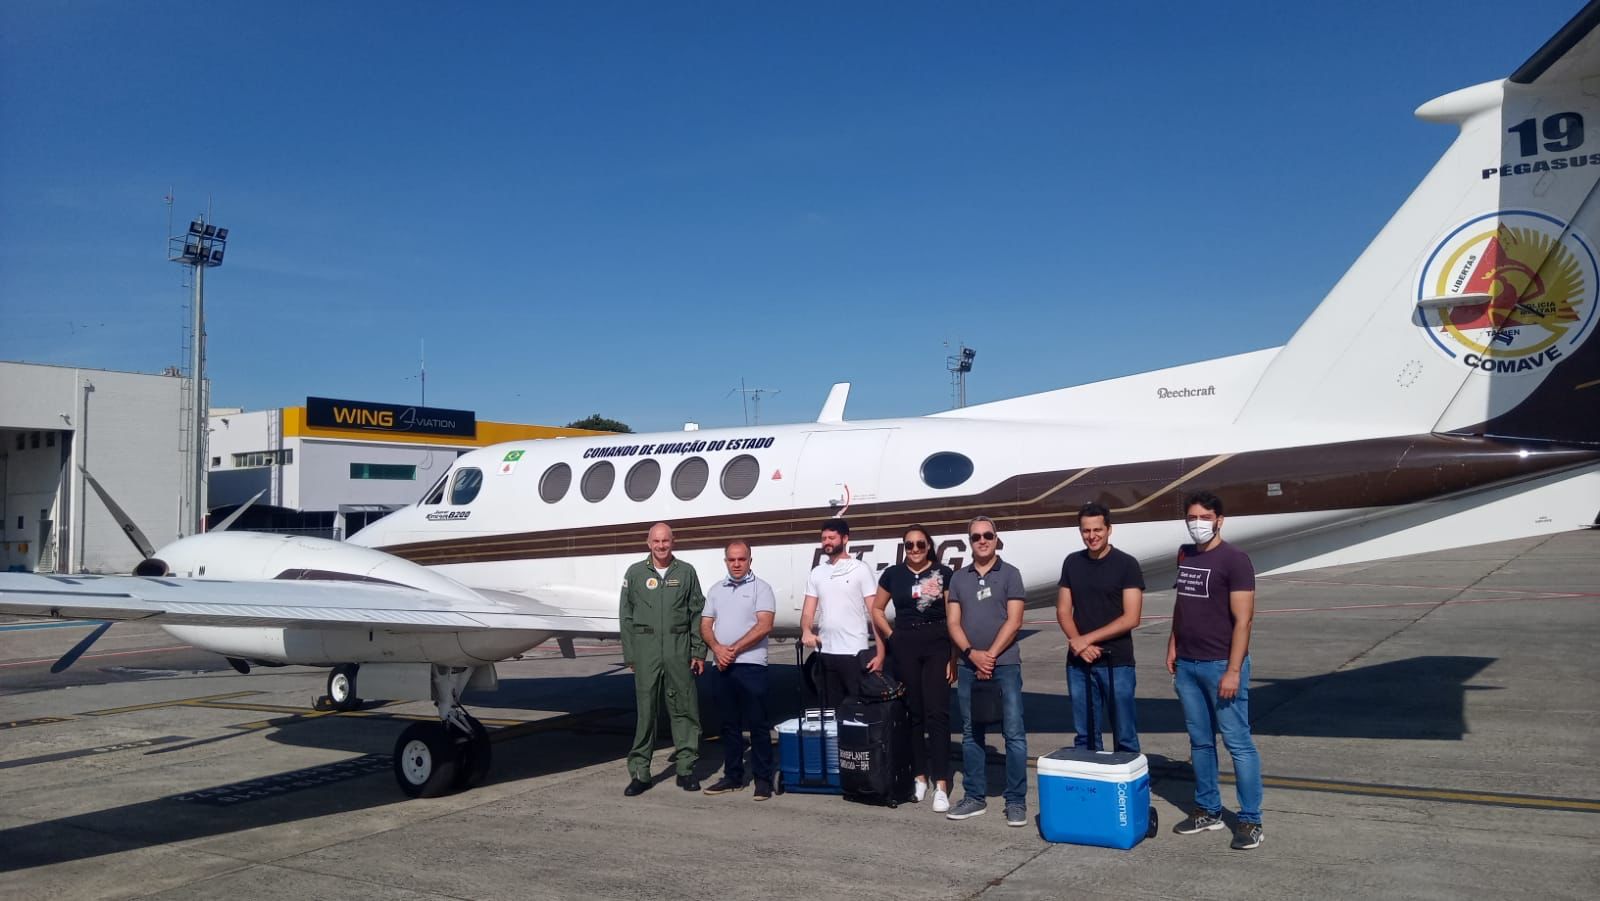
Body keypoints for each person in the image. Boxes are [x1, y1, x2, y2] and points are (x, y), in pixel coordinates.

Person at [1167, 491, 1264, 850]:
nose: (1198, 524)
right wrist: (1173, 643)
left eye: (1205, 517)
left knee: (1238, 743)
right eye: (1192, 517)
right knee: (1200, 742)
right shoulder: (1186, 554)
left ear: (1219, 521)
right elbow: (1182, 603)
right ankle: (1208, 809)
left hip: (1221, 664)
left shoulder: (1235, 560)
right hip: (1188, 664)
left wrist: (1234, 670)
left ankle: (1251, 820)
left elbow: (1244, 620)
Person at [945, 516, 1029, 826]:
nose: (982, 540)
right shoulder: (958, 578)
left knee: (1014, 734)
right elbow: (953, 622)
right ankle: (974, 797)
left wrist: (989, 656)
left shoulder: (1011, 574)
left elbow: (1015, 621)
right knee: (971, 733)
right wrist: (971, 654)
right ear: (970, 541)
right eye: (976, 536)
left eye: (987, 535)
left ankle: (1016, 800)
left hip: (1004, 665)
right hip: (969, 666)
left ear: (996, 539)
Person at [871, 524, 956, 813]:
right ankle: (919, 776)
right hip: (905, 644)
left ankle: (941, 783)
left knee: (938, 714)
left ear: (929, 546)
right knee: (913, 713)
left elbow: (953, 616)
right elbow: (877, 609)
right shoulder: (893, 574)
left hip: (937, 643)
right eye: (910, 545)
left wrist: (953, 656)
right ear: (904, 548)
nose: (915, 549)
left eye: (920, 544)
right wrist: (891, 636)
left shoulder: (944, 573)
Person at [619, 522, 706, 796]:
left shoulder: (686, 572)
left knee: (684, 709)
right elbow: (626, 616)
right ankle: (640, 773)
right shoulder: (635, 573)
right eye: (656, 541)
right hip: (646, 652)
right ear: (648, 543)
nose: (661, 546)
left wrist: (698, 651)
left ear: (673, 541)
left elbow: (697, 613)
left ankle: (686, 769)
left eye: (665, 541)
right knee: (646, 712)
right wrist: (631, 654)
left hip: (678, 650)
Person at [1056, 502, 1145, 753]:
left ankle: (1126, 777)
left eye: (1097, 530)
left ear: (1109, 529)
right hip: (1079, 664)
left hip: (1117, 663)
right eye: (1086, 531)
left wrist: (1085, 640)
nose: (1092, 536)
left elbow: (1132, 617)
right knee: (1085, 737)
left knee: (1125, 735)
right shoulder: (1072, 562)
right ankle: (1090, 777)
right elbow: (1063, 610)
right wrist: (1080, 645)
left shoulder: (1127, 564)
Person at [700, 539, 777, 800]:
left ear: (750, 561)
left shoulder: (762, 588)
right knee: (728, 725)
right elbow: (705, 624)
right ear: (725, 561)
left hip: (751, 666)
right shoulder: (715, 590)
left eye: (741, 559)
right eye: (731, 559)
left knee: (758, 725)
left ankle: (763, 780)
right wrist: (717, 649)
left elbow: (765, 624)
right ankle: (733, 776)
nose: (736, 564)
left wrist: (732, 650)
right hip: (722, 666)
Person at [799, 518, 881, 707]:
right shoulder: (817, 572)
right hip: (826, 652)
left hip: (854, 652)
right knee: (830, 710)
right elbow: (807, 613)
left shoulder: (861, 569)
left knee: (857, 710)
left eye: (832, 538)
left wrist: (880, 653)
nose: (827, 542)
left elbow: (874, 612)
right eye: (824, 538)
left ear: (845, 539)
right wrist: (806, 631)